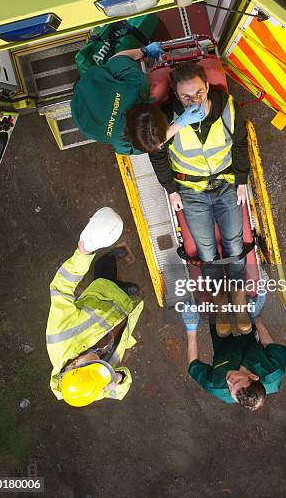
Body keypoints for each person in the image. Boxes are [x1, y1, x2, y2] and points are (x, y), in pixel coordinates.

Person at [149, 61, 252, 332]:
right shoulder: (166, 119)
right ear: (175, 94)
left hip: (227, 184)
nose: (193, 101)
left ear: (207, 86)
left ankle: (239, 300)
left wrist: (241, 181)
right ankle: (219, 301)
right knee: (207, 253)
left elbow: (241, 143)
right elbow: (156, 151)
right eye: (185, 97)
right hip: (192, 192)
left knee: (234, 246)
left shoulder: (227, 108)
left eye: (198, 93)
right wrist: (170, 189)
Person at [46, 207, 144, 407]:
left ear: (74, 364)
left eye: (95, 364)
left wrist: (83, 254)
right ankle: (123, 290)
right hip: (123, 313)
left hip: (103, 292)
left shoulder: (58, 338)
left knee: (105, 270)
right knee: (124, 291)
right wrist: (118, 379)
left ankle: (107, 258)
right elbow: (120, 391)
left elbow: (60, 288)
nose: (103, 364)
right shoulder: (92, 385)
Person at [71, 43, 205, 155]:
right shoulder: (120, 142)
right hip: (80, 115)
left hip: (90, 82)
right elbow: (153, 143)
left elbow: (117, 58)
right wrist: (181, 122)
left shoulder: (134, 86)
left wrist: (143, 51)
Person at [182, 294, 286, 409]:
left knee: (215, 312)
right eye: (237, 381)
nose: (229, 381)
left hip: (224, 349)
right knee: (245, 316)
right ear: (253, 376)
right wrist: (256, 318)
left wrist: (191, 329)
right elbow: (269, 345)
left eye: (231, 388)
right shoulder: (273, 372)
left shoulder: (217, 386)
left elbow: (194, 364)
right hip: (250, 344)